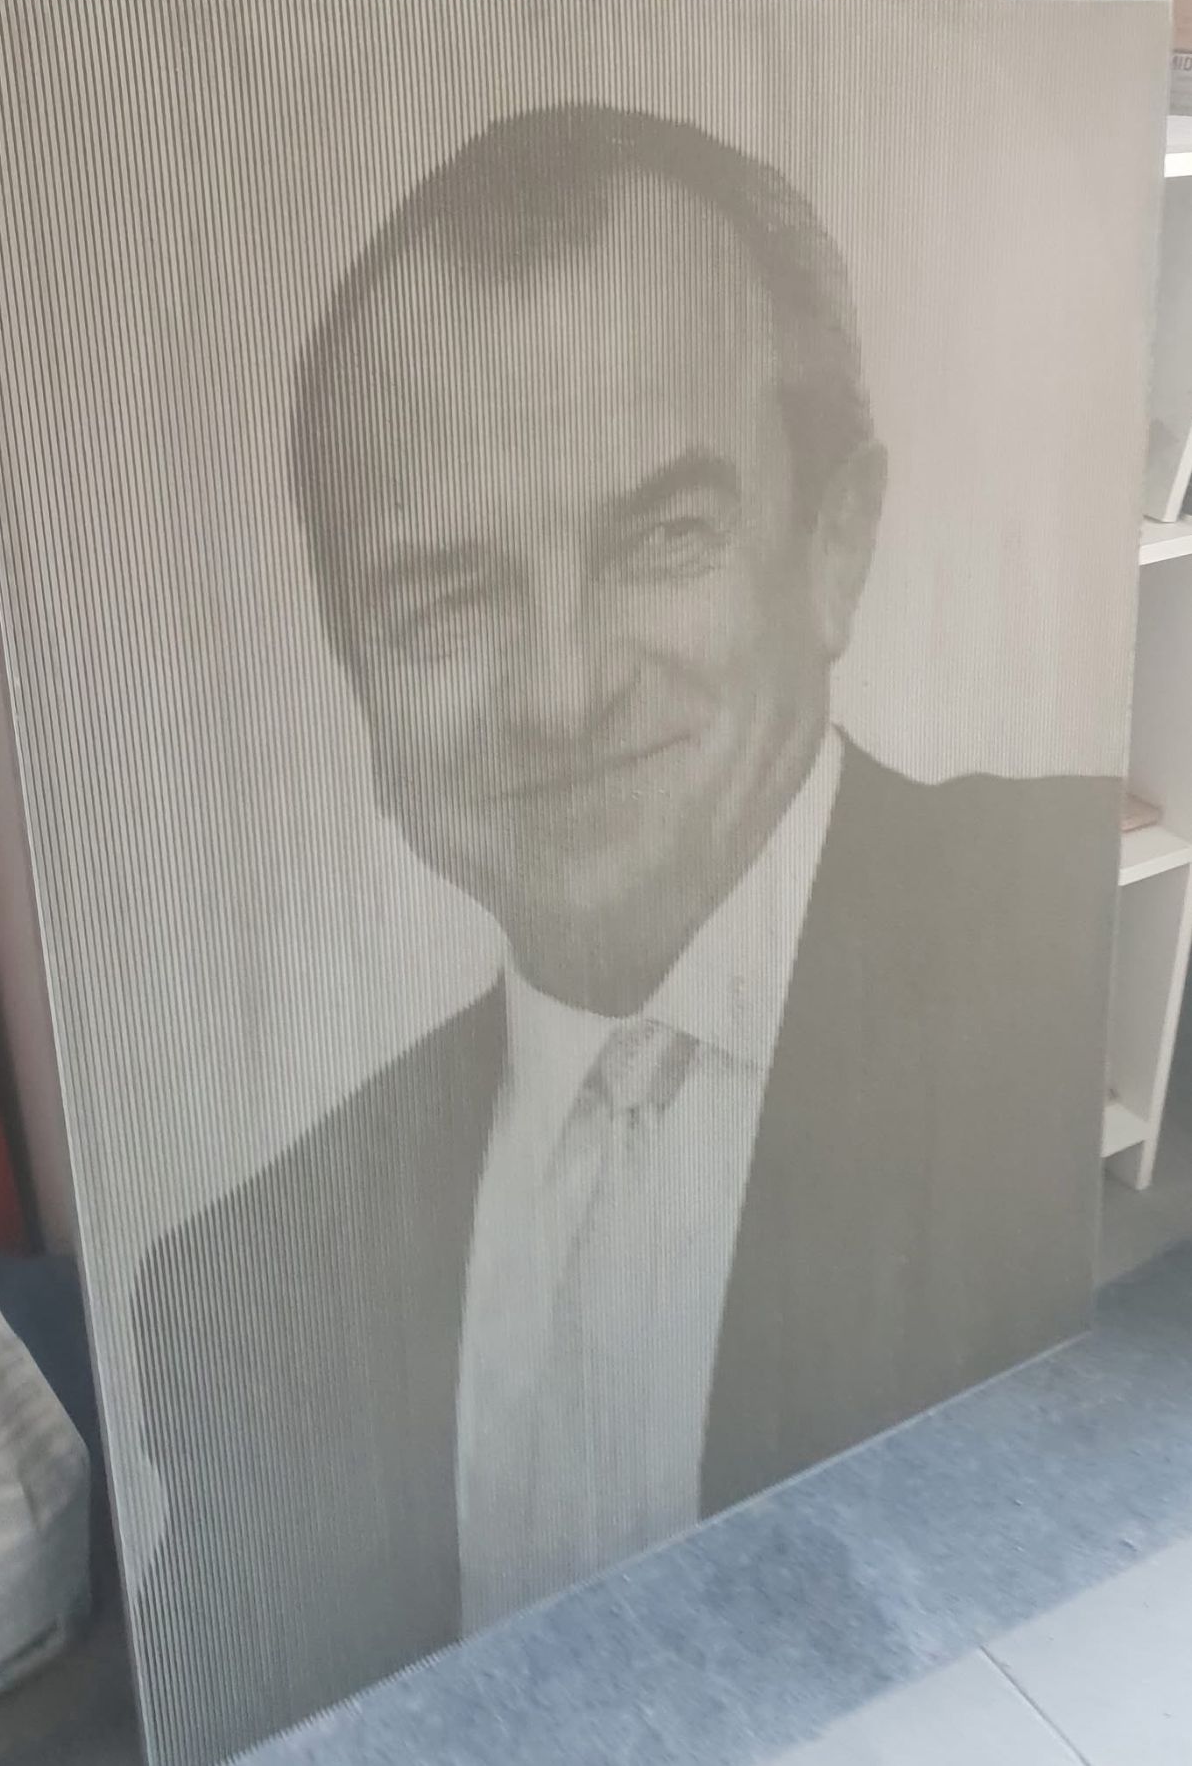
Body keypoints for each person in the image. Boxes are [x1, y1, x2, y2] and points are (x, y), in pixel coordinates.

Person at [135, 104, 1114, 1765]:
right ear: (355, 673)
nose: (560, 689)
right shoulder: (240, 1288)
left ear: (833, 546)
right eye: (447, 600)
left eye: (660, 538)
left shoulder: (1047, 924)